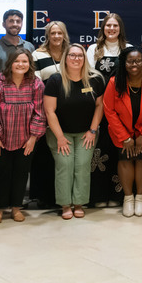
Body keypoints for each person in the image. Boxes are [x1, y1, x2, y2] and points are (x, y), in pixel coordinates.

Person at [0, 49, 45, 224]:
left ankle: (16, 208)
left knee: (21, 173)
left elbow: (40, 113)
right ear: (9, 63)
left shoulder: (36, 84)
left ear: (29, 64)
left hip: (26, 139)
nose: (21, 64)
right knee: (1, 172)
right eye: (17, 61)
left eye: (24, 61)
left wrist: (33, 138)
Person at [102, 47, 142, 217]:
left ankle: (140, 197)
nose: (134, 64)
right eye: (130, 61)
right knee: (125, 159)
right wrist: (125, 137)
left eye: (138, 60)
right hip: (121, 132)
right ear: (124, 63)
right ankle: (128, 198)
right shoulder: (114, 82)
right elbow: (109, 110)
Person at [43, 43, 105, 220]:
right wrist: (60, 137)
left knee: (82, 166)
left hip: (87, 133)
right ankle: (65, 204)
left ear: (85, 58)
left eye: (80, 55)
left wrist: (92, 131)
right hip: (60, 134)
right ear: (66, 58)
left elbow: (100, 105)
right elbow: (49, 111)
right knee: (65, 165)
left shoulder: (95, 79)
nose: (76, 59)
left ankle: (79, 203)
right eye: (72, 55)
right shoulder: (55, 80)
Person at [87, 13, 128, 207]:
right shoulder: (93, 49)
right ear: (103, 28)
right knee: (98, 152)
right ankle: (98, 196)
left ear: (120, 28)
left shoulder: (127, 49)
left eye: (115, 26)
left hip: (121, 109)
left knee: (118, 151)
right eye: (108, 26)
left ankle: (117, 195)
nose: (111, 29)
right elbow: (86, 76)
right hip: (98, 107)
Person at [29, 20, 70, 210]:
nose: (56, 36)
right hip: (45, 110)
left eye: (59, 33)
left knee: (65, 155)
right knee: (45, 156)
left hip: (69, 111)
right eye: (52, 33)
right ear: (48, 35)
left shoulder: (71, 53)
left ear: (64, 35)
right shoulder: (37, 54)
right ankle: (43, 197)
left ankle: (64, 196)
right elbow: (36, 85)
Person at [0, 9, 35, 88]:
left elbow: (33, 75)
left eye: (18, 21)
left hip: (25, 95)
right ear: (4, 24)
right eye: (11, 21)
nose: (15, 24)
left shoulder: (29, 47)